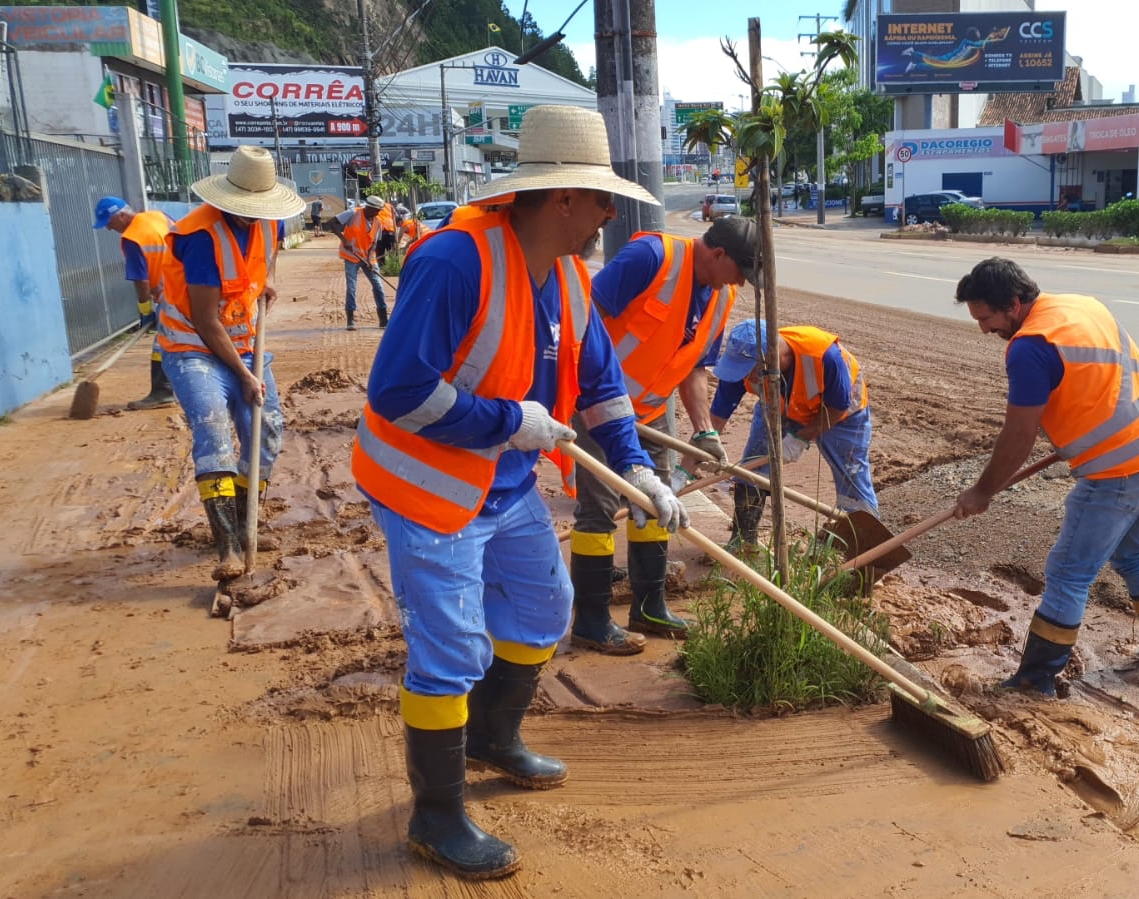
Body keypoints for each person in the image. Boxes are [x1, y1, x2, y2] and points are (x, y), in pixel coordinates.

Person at [351, 104, 686, 880]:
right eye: (603, 198)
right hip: (426, 486)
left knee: (543, 613)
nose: (612, 212)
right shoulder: (452, 261)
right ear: (564, 198)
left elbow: (601, 386)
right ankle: (435, 815)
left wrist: (635, 465)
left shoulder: (568, 274)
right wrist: (509, 420)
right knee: (450, 651)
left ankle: (491, 738)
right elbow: (398, 389)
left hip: (503, 486)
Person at [951, 257, 1139, 696]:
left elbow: (1019, 434)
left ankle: (1034, 681)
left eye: (986, 318)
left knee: (1067, 572)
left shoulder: (1029, 347)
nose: (984, 330)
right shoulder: (1081, 306)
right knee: (1131, 552)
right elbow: (1098, 380)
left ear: (1014, 303)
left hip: (1123, 471)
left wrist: (982, 491)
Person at [568, 216, 759, 654]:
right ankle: (592, 621)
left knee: (657, 504)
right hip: (597, 405)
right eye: (740, 273)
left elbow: (694, 367)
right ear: (718, 254)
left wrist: (704, 429)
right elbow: (582, 321)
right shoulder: (652, 258)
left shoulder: (720, 296)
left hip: (653, 409)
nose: (742, 285)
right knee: (599, 509)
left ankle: (649, 606)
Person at [156, 146, 302, 583]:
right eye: (244, 211)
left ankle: (246, 522)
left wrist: (268, 282)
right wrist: (244, 376)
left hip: (243, 341)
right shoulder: (199, 237)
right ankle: (229, 546)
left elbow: (265, 258)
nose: (251, 218)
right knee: (214, 429)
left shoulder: (269, 222)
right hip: (193, 347)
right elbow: (204, 320)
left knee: (267, 427)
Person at [709, 319, 877, 552]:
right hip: (780, 406)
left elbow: (837, 408)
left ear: (771, 357)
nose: (747, 377)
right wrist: (707, 442)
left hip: (843, 414)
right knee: (751, 467)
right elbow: (720, 409)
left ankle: (865, 554)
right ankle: (744, 542)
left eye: (750, 371)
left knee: (852, 478)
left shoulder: (824, 356)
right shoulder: (744, 363)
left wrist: (800, 438)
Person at [94, 196, 177, 410]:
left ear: (121, 215)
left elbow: (141, 281)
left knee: (162, 344)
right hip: (191, 286)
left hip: (171, 296)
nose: (110, 230)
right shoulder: (158, 217)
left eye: (110, 224)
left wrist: (145, 310)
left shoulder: (133, 238)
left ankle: (163, 392)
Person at [327, 193, 390, 330]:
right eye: (376, 210)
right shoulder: (352, 213)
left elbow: (374, 244)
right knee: (352, 287)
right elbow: (331, 223)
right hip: (351, 256)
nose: (378, 213)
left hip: (368, 257)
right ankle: (350, 320)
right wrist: (344, 240)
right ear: (369, 207)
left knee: (378, 285)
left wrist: (369, 260)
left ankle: (383, 319)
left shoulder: (378, 222)